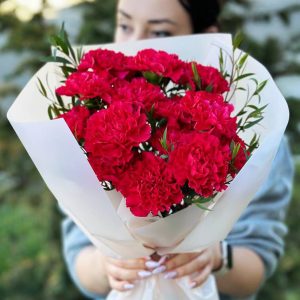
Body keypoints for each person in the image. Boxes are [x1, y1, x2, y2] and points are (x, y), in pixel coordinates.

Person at [61, 0, 294, 299]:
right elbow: (79, 256)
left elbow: (258, 262)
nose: (135, 43)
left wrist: (215, 257)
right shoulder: (88, 124)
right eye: (125, 25)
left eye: (159, 33)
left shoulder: (252, 138)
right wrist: (109, 264)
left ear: (206, 35)